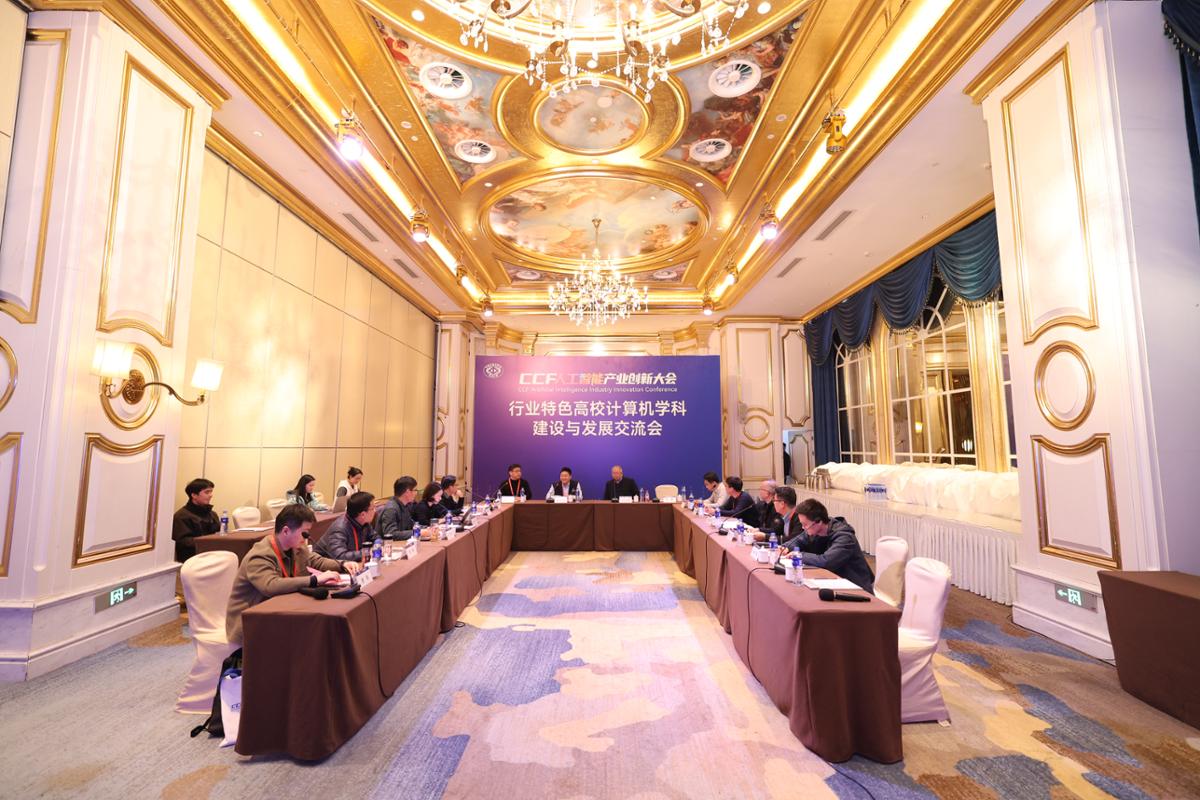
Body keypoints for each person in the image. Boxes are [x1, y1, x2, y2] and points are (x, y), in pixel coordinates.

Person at [225, 504, 362, 645]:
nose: (306, 537)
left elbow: (316, 561)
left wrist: (342, 564)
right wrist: (314, 580)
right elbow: (271, 586)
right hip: (249, 625)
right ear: (286, 531)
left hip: (279, 614)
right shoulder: (260, 555)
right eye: (304, 532)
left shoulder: (296, 547)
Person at [781, 498, 875, 593]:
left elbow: (826, 561)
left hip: (856, 588)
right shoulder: (813, 529)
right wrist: (785, 547)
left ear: (819, 522)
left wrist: (799, 555)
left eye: (805, 524)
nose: (803, 528)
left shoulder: (844, 537)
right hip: (831, 582)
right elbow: (798, 540)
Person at [314, 491, 377, 562]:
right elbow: (339, 556)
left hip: (351, 564)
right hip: (326, 566)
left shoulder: (364, 523)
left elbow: (375, 537)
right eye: (373, 508)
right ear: (363, 514)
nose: (375, 511)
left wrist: (378, 544)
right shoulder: (340, 528)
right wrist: (366, 552)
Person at [171, 478, 220, 563]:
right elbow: (183, 542)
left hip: (213, 556)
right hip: (192, 561)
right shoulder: (181, 516)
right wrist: (209, 541)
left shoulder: (212, 514)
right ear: (194, 495)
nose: (211, 495)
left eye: (211, 492)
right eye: (207, 492)